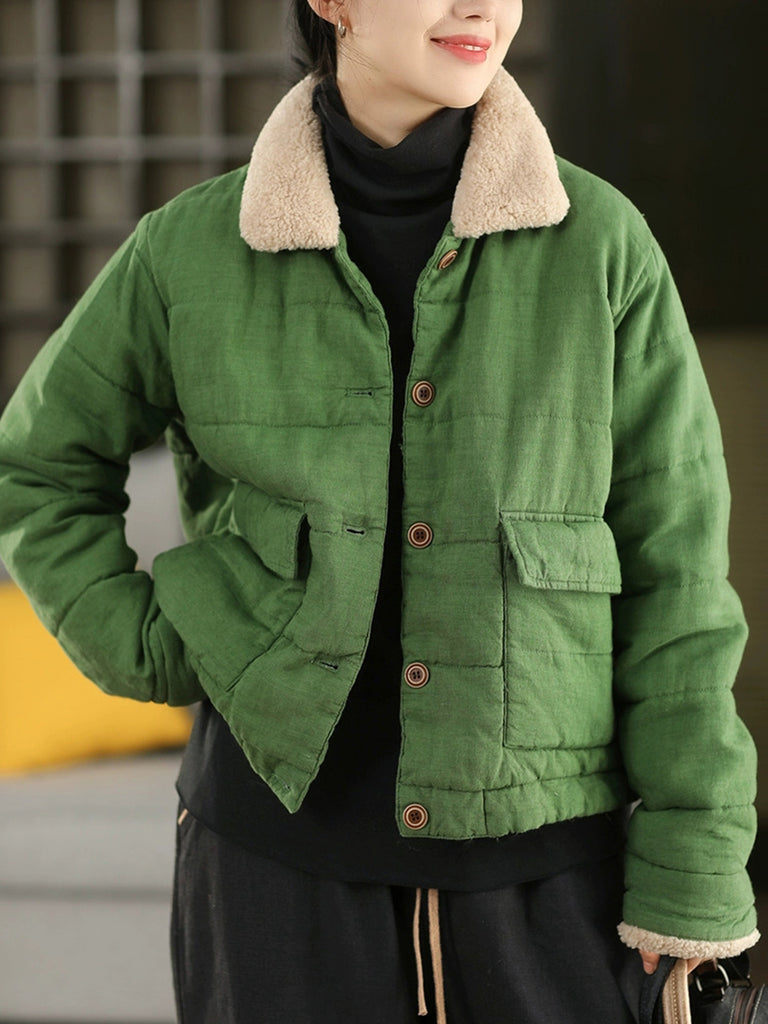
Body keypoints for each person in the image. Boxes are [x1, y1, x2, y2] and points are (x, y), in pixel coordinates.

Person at [0, 1, 759, 1021]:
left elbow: (680, 588)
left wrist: (695, 872)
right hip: (270, 876)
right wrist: (152, 644)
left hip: (547, 888)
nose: (482, 6)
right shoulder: (188, 251)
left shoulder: (602, 246)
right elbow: (37, 466)